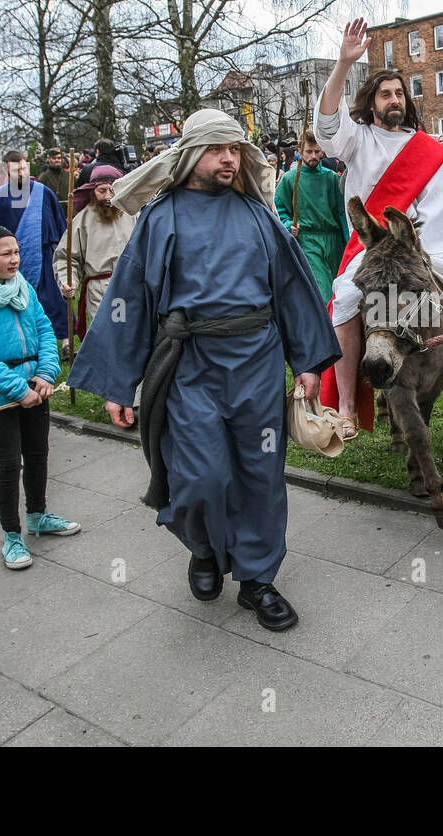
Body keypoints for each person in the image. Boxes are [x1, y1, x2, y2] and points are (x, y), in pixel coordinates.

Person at [68, 109, 339, 631]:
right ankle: (205, 549)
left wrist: (307, 361)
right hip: (190, 365)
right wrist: (117, 382)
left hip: (257, 363)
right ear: (192, 154)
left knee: (261, 476)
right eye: (218, 149)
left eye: (235, 150)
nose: (229, 159)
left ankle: (258, 579)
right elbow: (129, 298)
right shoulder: (160, 216)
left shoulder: (257, 216)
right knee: (199, 475)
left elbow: (291, 287)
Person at [315, 19, 443, 440]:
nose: (394, 99)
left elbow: (438, 209)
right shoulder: (356, 139)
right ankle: (345, 407)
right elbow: (326, 127)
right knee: (344, 297)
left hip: (431, 250)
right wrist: (345, 63)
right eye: (385, 94)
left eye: (400, 93)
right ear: (372, 102)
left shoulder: (423, 146)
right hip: (377, 251)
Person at [0, 224, 78, 570]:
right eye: (5, 253)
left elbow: (45, 329)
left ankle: (37, 515)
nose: (14, 259)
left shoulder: (23, 287)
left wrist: (46, 374)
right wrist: (18, 389)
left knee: (38, 455)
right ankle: (12, 535)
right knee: (8, 466)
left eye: (16, 251)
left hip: (36, 387)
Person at [0, 150, 69, 349]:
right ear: (8, 171)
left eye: (24, 168)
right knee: (20, 303)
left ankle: (66, 341)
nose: (22, 173)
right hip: (14, 259)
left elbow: (59, 224)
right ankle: (29, 343)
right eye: (16, 170)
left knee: (55, 300)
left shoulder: (43, 192)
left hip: (46, 254)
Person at [53, 164, 134, 339]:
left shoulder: (133, 213)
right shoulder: (83, 220)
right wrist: (68, 281)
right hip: (101, 290)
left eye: (113, 190)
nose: (108, 196)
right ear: (92, 192)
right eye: (102, 191)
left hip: (131, 284)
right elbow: (66, 257)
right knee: (109, 337)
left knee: (133, 336)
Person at [273, 131, 348, 304]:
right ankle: (327, 329)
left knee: (342, 290)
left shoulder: (331, 179)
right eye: (309, 152)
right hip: (308, 241)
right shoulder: (290, 179)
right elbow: (280, 209)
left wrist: (349, 242)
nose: (313, 156)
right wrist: (288, 224)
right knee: (323, 292)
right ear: (299, 150)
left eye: (317, 151)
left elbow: (342, 214)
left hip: (334, 241)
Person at [36, 148, 71, 212]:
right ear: (49, 160)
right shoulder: (43, 178)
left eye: (59, 158)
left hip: (68, 212)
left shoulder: (69, 175)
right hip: (53, 211)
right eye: (54, 158)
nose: (57, 160)